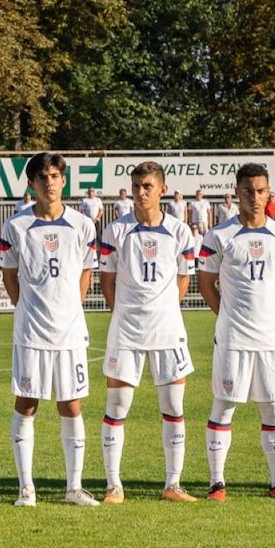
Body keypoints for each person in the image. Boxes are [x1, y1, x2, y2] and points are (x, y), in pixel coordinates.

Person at [196, 163, 275, 502]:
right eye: (248, 191)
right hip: (232, 338)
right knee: (224, 405)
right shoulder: (219, 235)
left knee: (272, 407)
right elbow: (205, 283)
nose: (254, 197)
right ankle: (217, 483)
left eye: (260, 191)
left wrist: (263, 312)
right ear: (237, 193)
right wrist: (229, 314)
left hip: (270, 339)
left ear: (269, 192)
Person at [0, 153, 99, 506]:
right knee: (27, 404)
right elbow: (10, 277)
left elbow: (86, 274)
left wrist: (70, 307)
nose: (49, 182)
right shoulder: (16, 226)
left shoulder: (83, 225)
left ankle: (74, 488)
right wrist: (29, 307)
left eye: (55, 175)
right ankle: (26, 488)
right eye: (42, 177)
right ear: (31, 184)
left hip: (69, 331)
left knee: (71, 404)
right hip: (31, 331)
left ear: (63, 180)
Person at [98, 161, 199, 504]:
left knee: (173, 406)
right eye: (137, 186)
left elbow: (184, 279)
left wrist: (163, 309)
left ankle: (173, 485)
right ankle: (114, 485)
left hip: (168, 330)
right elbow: (107, 281)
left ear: (163, 189)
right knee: (117, 406)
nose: (141, 193)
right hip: (126, 330)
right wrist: (127, 313)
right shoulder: (116, 231)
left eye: (148, 186)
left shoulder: (180, 231)